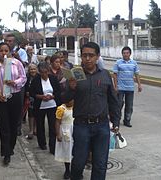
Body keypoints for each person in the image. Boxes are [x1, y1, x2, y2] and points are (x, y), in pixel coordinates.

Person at [62, 42, 120, 180]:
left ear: (97, 57)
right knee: (78, 163)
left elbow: (113, 101)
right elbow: (64, 99)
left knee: (100, 165)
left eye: (91, 55)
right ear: (81, 57)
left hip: (102, 127)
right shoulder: (74, 75)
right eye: (84, 55)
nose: (87, 58)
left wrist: (116, 122)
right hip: (82, 126)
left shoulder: (105, 75)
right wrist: (71, 88)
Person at [0, 42, 26, 166]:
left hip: (14, 96)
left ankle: (11, 146)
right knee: (4, 125)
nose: (4, 53)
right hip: (0, 98)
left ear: (10, 52)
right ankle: (6, 153)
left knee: (14, 125)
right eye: (1, 51)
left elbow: (23, 77)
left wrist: (14, 82)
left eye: (6, 51)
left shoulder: (16, 63)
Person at [29, 62, 61, 154]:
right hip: (40, 106)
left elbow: (58, 91)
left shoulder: (53, 79)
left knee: (52, 126)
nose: (44, 74)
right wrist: (41, 96)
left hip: (52, 105)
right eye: (42, 72)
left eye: (46, 72)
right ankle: (42, 143)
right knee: (40, 125)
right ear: (39, 72)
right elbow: (32, 93)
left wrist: (52, 96)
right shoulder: (36, 80)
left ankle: (53, 146)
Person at [113, 46, 142, 127]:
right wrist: (115, 86)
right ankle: (116, 121)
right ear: (122, 54)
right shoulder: (118, 63)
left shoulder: (134, 63)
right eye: (124, 53)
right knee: (118, 105)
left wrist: (139, 85)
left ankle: (127, 120)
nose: (125, 54)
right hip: (120, 88)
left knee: (129, 106)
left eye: (127, 53)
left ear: (130, 54)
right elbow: (114, 75)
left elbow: (137, 74)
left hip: (130, 88)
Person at [55, 100, 74, 179]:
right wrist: (58, 134)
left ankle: (75, 170)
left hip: (74, 130)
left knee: (75, 150)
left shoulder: (75, 107)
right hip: (65, 131)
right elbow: (57, 122)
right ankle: (67, 170)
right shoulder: (61, 109)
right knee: (67, 151)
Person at [24, 64, 38, 139]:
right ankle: (31, 129)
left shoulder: (39, 77)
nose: (33, 71)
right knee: (31, 114)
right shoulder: (27, 77)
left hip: (37, 97)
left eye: (34, 69)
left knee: (37, 114)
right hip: (30, 98)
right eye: (31, 69)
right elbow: (25, 86)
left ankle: (35, 128)